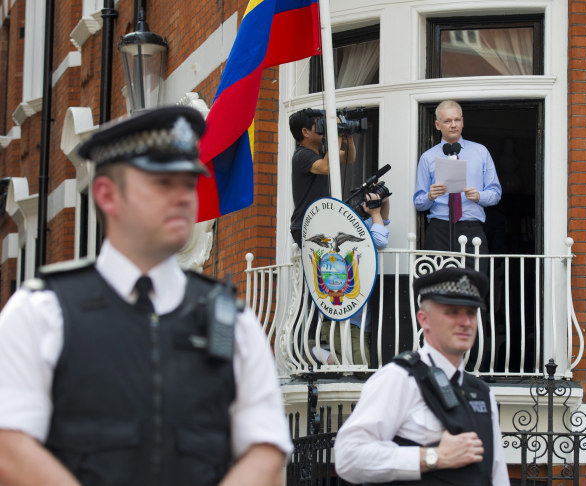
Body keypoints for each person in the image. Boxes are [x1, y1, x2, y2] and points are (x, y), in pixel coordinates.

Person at [0, 106, 293, 486]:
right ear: (107, 194)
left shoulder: (231, 319)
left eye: (188, 183)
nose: (184, 197)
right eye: (162, 183)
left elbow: (266, 450)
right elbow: (10, 446)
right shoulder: (42, 311)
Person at [334, 267, 510, 485]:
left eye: (471, 313)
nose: (465, 322)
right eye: (452, 312)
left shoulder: (482, 393)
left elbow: (497, 475)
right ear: (424, 319)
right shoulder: (398, 379)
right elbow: (348, 456)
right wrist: (434, 457)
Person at [413, 100, 502, 255]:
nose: (453, 125)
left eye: (457, 120)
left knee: (474, 279)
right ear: (437, 125)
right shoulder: (427, 158)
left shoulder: (480, 152)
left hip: (472, 228)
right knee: (439, 280)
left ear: (462, 122)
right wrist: (430, 196)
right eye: (447, 121)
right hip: (439, 229)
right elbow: (418, 203)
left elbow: (495, 194)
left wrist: (479, 196)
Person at [314, 192, 390, 366]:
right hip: (343, 315)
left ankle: (324, 353)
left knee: (362, 362)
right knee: (360, 366)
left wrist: (383, 203)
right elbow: (379, 240)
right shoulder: (335, 235)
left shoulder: (358, 228)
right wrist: (375, 213)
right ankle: (316, 351)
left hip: (359, 315)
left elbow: (382, 223)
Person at [289, 108, 356, 247]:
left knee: (325, 263)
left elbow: (349, 158)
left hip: (318, 223)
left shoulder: (320, 152)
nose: (325, 129)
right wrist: (335, 132)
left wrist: (348, 140)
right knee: (319, 262)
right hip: (306, 225)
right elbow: (326, 167)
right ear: (305, 132)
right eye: (320, 125)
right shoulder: (301, 155)